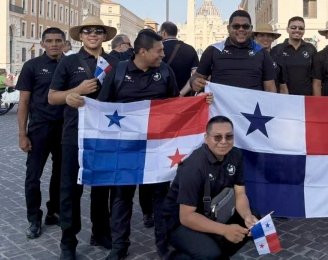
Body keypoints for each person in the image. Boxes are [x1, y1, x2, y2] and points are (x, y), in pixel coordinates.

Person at [97, 30, 183, 260]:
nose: (163, 55)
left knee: (160, 197)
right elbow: (102, 107)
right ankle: (119, 246)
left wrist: (201, 102)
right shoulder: (119, 72)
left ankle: (164, 245)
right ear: (142, 52)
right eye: (159, 50)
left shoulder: (165, 71)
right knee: (122, 197)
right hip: (125, 148)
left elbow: (176, 105)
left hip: (157, 147)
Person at [48, 16, 119, 260]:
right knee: (70, 189)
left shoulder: (115, 62)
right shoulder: (69, 62)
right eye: (87, 31)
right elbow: (52, 97)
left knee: (102, 188)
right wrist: (73, 93)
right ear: (80, 36)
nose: (92, 34)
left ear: (104, 35)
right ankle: (68, 240)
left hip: (105, 134)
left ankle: (100, 232)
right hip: (74, 134)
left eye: (98, 30)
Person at [163, 116, 260, 259]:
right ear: (206, 138)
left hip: (213, 211)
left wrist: (247, 216)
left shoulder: (235, 155)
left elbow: (240, 194)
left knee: (253, 218)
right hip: (179, 221)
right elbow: (186, 217)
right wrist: (225, 230)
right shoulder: (193, 166)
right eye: (217, 137)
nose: (224, 142)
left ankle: (219, 251)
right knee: (211, 254)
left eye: (229, 136)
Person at [16, 27, 66, 239]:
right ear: (43, 44)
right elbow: (24, 101)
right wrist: (22, 134)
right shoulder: (32, 66)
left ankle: (54, 211)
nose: (54, 44)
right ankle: (33, 218)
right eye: (49, 41)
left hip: (65, 129)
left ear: (64, 43)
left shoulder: (72, 65)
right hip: (39, 128)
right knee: (32, 176)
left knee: (61, 175)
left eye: (58, 40)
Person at [191, 10, 277, 93]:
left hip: (252, 106)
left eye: (245, 26)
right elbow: (197, 77)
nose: (241, 29)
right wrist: (194, 82)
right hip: (220, 107)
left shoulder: (262, 54)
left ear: (251, 28)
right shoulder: (213, 50)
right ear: (228, 28)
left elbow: (270, 89)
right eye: (236, 26)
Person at [271, 17, 317, 95]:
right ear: (287, 29)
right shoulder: (277, 50)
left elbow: (316, 77)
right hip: (284, 98)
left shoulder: (311, 49)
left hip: (306, 99)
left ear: (304, 31)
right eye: (293, 27)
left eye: (301, 28)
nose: (297, 30)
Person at [160, 21, 200, 97]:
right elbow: (195, 75)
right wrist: (181, 94)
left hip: (161, 97)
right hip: (184, 98)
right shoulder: (190, 49)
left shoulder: (157, 49)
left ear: (164, 33)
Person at [252, 23, 283, 90]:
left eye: (269, 36)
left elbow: (283, 85)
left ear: (273, 38)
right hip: (255, 98)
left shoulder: (279, 57)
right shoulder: (249, 58)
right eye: (261, 35)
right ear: (255, 37)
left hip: (274, 98)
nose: (265, 38)